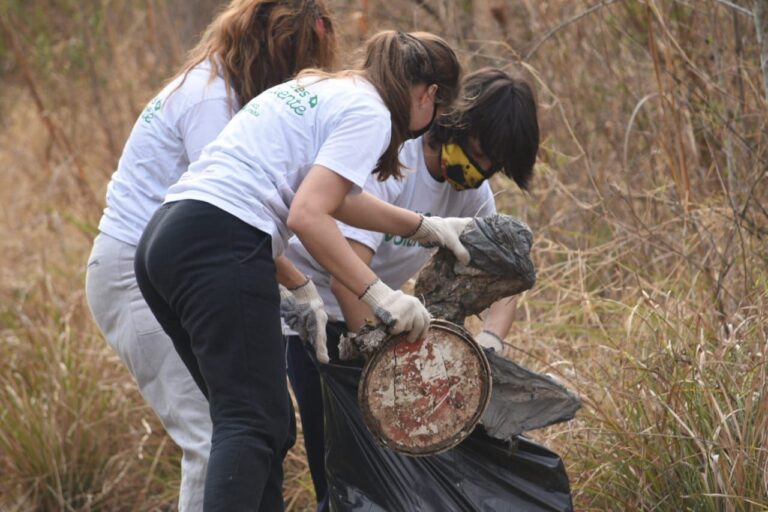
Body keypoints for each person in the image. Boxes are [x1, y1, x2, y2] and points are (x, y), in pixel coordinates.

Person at [133, 31, 465, 511]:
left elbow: (342, 199)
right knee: (251, 422)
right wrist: (380, 296)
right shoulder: (371, 112)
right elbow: (308, 215)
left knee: (267, 425)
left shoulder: (321, 87)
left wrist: (425, 227)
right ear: (428, 94)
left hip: (168, 238)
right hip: (221, 240)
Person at [84, 1, 337, 510]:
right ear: (276, 51)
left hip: (170, 267)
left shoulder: (220, 88)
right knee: (216, 429)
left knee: (266, 424)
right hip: (135, 271)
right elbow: (226, 212)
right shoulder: (210, 99)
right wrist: (299, 285)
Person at [282, 67, 540, 510]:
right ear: (457, 121)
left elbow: (501, 279)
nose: (481, 171)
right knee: (344, 467)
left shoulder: (472, 194)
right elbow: (350, 273)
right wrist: (384, 363)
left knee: (392, 471)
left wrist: (489, 345)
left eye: (494, 165)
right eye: (481, 153)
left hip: (381, 314)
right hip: (317, 312)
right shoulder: (394, 165)